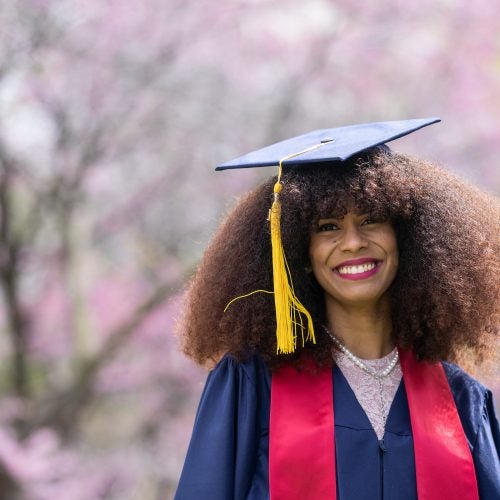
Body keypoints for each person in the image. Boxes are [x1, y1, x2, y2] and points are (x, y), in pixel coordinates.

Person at [175, 119, 500, 499]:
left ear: (407, 237)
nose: (352, 243)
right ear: (301, 252)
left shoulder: (460, 399)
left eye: (371, 219)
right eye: (328, 227)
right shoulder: (252, 384)